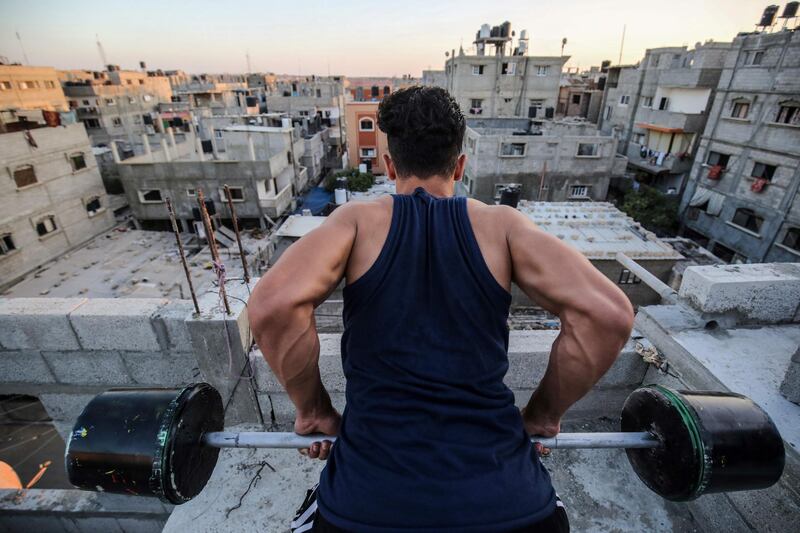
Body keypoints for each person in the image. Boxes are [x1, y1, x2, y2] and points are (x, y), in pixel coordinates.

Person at [248, 86, 634, 532]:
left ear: (389, 165)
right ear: (461, 166)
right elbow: (607, 315)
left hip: (367, 507)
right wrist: (542, 417)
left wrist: (313, 409)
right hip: (512, 507)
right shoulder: (502, 227)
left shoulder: (355, 222)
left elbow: (275, 305)